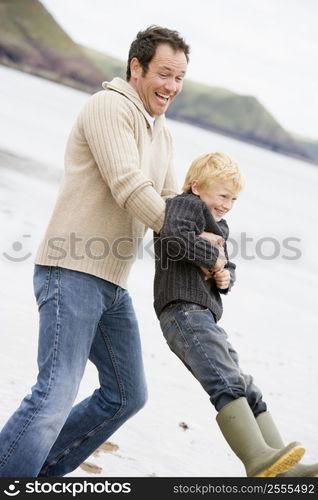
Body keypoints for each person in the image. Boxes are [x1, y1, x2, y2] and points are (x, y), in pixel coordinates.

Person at [0, 26, 189, 477]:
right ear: (136, 67)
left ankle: (35, 473)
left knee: (127, 395)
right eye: (164, 73)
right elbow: (129, 186)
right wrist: (186, 238)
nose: (171, 87)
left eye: (180, 78)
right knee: (54, 395)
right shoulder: (109, 107)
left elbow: (169, 206)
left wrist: (208, 241)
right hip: (70, 268)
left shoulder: (161, 132)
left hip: (110, 283)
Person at [153, 152, 315, 477]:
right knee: (224, 381)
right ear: (197, 187)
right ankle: (257, 460)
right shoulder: (186, 205)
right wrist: (213, 258)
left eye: (234, 199)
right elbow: (171, 237)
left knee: (245, 385)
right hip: (183, 312)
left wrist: (225, 276)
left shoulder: (219, 226)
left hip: (204, 317)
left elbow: (226, 265)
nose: (227, 204)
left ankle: (281, 468)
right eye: (223, 195)